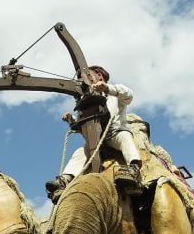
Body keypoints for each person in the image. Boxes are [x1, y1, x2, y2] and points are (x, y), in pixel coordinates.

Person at [46, 64, 143, 200]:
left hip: (114, 134)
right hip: (97, 142)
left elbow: (129, 95)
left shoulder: (114, 95)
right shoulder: (87, 103)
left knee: (125, 137)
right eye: (80, 79)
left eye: (86, 76)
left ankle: (133, 169)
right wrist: (71, 121)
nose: (83, 80)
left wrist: (107, 88)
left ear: (99, 75)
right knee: (79, 152)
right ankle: (64, 180)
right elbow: (86, 127)